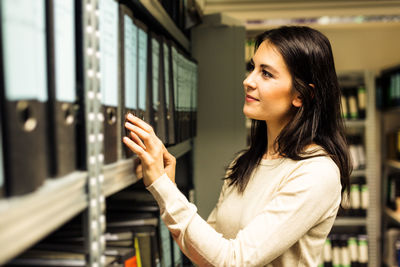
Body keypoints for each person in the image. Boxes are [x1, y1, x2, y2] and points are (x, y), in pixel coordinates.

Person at [123, 25, 351, 266]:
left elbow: (234, 261)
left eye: (266, 73)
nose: (248, 81)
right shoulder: (245, 163)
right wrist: (166, 189)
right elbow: (205, 252)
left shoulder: (316, 173)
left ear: (302, 95)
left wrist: (163, 188)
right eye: (253, 67)